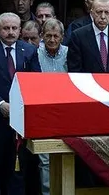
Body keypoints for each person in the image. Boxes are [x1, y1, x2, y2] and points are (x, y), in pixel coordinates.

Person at [0, 12, 41, 195]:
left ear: (20, 30)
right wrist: (0, 103)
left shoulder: (29, 50)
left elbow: (35, 82)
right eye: (6, 28)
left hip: (22, 119)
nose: (10, 32)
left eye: (14, 28)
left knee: (21, 167)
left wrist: (22, 106)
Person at [37, 18, 68, 195]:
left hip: (66, 111)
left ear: (62, 37)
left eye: (56, 36)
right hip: (44, 110)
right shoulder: (35, 54)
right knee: (46, 159)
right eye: (48, 35)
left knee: (68, 154)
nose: (52, 40)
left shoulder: (70, 53)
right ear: (42, 36)